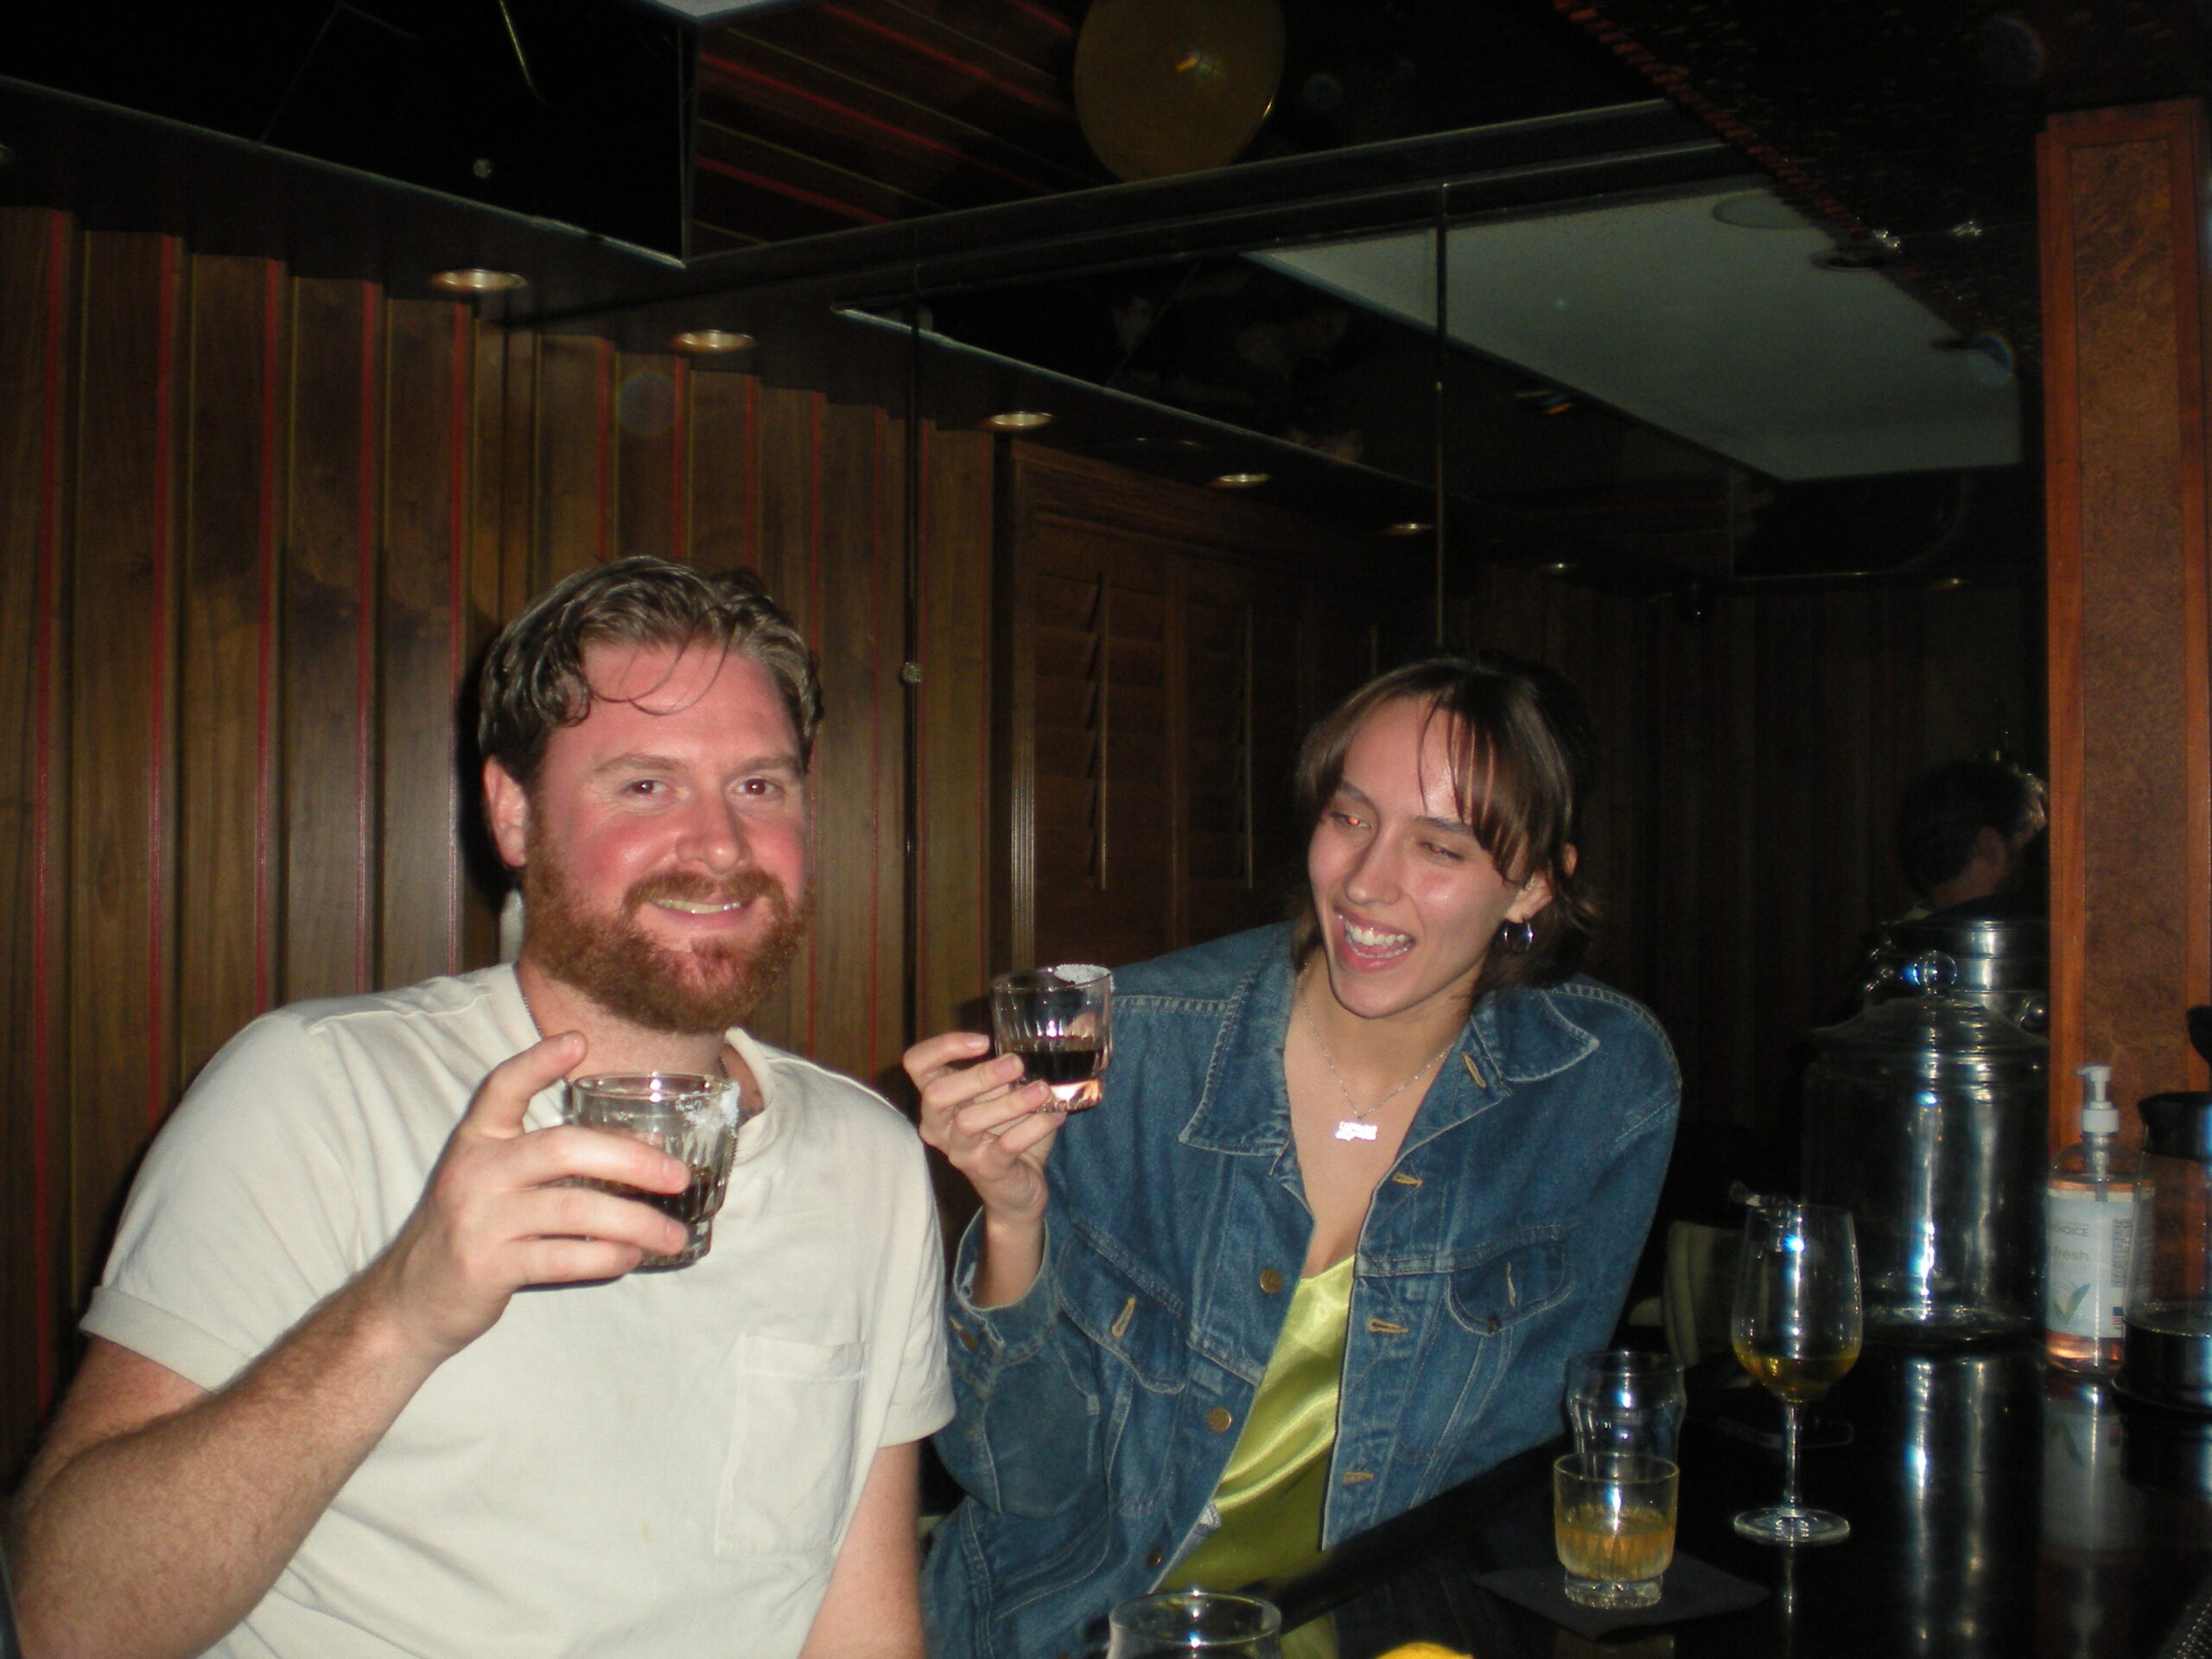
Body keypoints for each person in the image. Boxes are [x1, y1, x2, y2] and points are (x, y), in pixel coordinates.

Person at [7, 557, 950, 1659]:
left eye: (759, 786)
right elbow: (65, 1620)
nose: (719, 846)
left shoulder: (871, 1159)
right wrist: (398, 1315)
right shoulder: (317, 1092)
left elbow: (860, 1624)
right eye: (645, 786)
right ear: (513, 813)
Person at [906, 653, 1680, 1659]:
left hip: (1380, 1625)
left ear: (1532, 885)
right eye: (1349, 818)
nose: (1364, 882)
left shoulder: (1598, 1082)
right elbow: (1019, 1479)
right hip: (1082, 1624)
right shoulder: (1132, 1051)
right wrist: (1013, 1218)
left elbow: (1512, 1470)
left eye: (1438, 847)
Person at [1893, 756, 2048, 921]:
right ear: (1990, 845)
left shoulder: (1910, 932)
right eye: (2035, 835)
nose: (2044, 853)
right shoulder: (2022, 931)